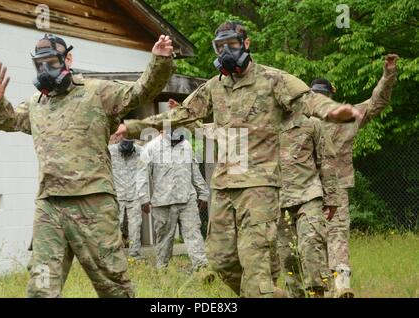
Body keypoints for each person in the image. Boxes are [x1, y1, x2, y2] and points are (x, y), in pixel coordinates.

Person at [115, 21, 363, 297]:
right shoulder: (214, 87)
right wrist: (135, 126)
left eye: (231, 44)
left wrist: (333, 112)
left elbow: (309, 101)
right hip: (224, 185)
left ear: (246, 44)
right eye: (220, 47)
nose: (225, 51)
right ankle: (268, 293)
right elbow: (182, 114)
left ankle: (263, 291)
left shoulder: (273, 79)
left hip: (260, 186)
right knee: (221, 260)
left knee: (254, 260)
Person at [0, 33, 176, 298]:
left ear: (67, 59)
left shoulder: (97, 92)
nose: (46, 69)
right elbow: (7, 120)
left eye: (51, 62)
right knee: (41, 287)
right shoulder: (35, 105)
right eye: (40, 64)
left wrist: (160, 61)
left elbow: (141, 91)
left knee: (113, 286)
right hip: (50, 206)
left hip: (93, 203)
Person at [311, 53, 398, 298]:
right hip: (335, 184)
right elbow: (376, 102)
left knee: (310, 236)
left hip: (307, 186)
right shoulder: (345, 116)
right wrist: (388, 73)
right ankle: (339, 283)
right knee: (336, 233)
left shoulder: (303, 118)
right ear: (331, 95)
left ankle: (318, 286)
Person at [276, 109, 339, 298]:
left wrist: (332, 198)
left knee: (311, 246)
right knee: (287, 257)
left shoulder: (312, 124)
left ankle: (318, 293)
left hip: (308, 196)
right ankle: (296, 295)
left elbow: (326, 160)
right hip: (278, 201)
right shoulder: (265, 126)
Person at [141, 129, 209, 271]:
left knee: (194, 234)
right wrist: (143, 198)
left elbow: (194, 170)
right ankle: (162, 271)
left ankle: (202, 269)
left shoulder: (186, 145)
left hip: (187, 199)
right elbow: (142, 175)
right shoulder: (151, 147)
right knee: (165, 240)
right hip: (163, 202)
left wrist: (203, 193)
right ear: (162, 129)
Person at [109, 137, 150, 260]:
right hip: (116, 195)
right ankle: (114, 255)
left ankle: (135, 254)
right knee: (115, 225)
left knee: (135, 226)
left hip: (135, 195)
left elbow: (143, 176)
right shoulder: (110, 151)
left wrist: (144, 200)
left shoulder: (141, 152)